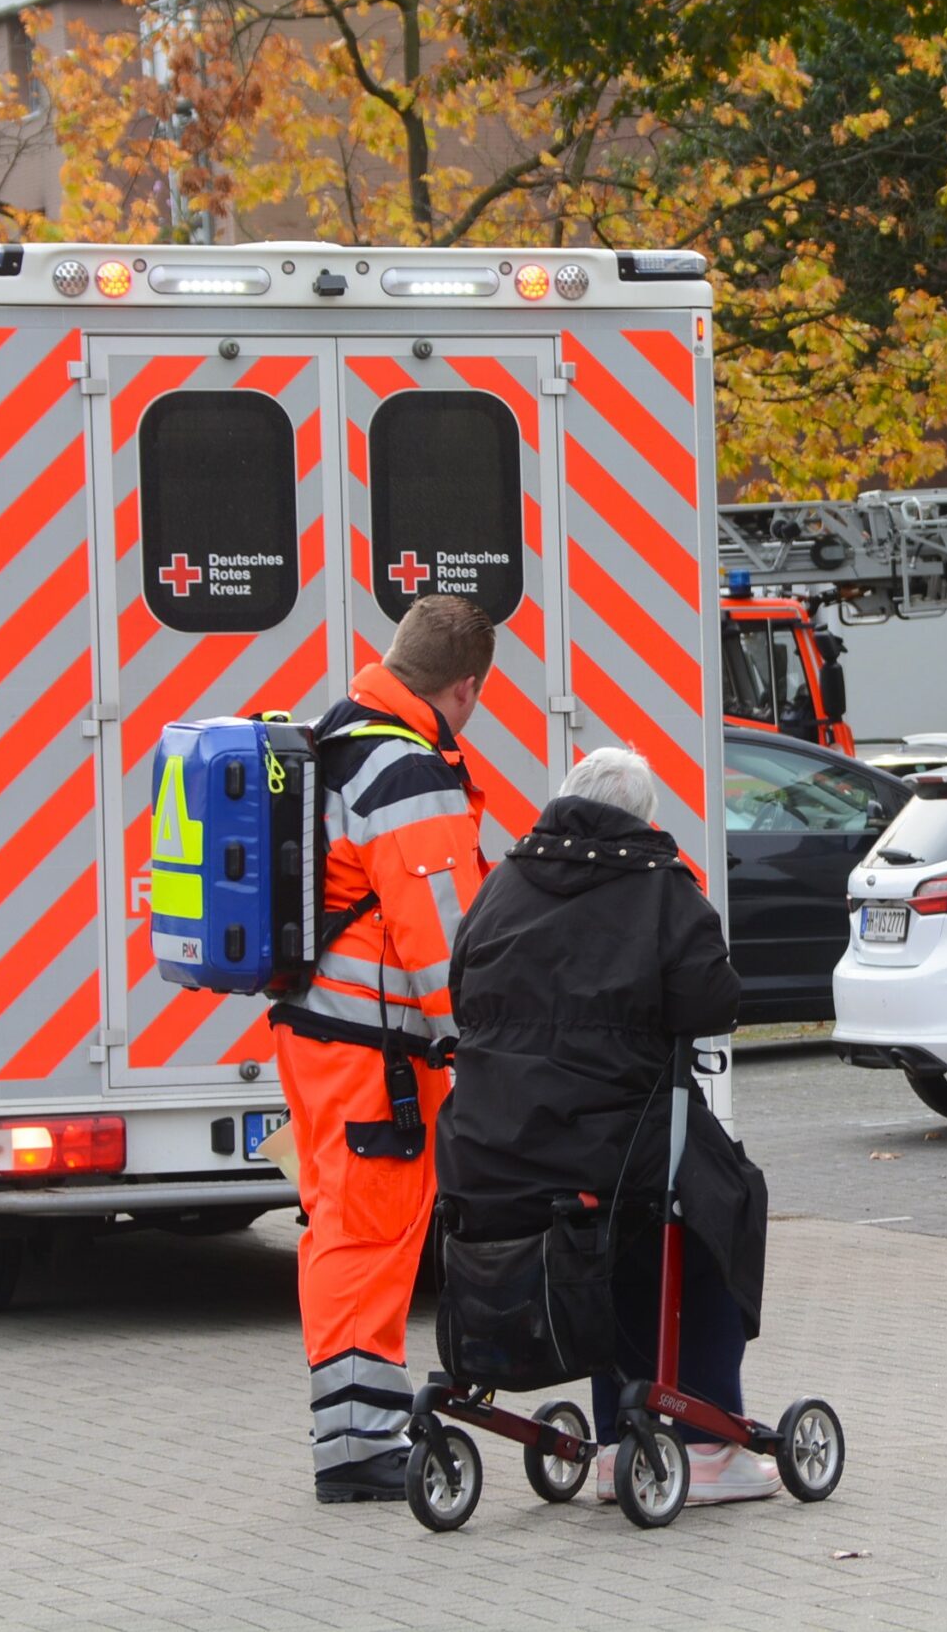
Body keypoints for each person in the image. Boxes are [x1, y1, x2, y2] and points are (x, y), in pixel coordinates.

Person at [438, 746, 777, 1507]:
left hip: (490, 1148)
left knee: (617, 1224)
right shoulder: (661, 889)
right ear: (644, 818)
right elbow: (714, 1002)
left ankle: (612, 1435)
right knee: (721, 1206)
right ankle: (706, 1440)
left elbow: (461, 986)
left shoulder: (501, 884)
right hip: (610, 1146)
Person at [269, 595, 494, 1503]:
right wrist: (477, 1045)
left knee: (337, 1223)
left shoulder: (336, 736)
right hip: (378, 1051)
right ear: (466, 685)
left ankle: (351, 1427)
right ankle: (360, 1446)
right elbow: (441, 941)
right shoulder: (406, 772)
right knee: (369, 1232)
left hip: (318, 1033)